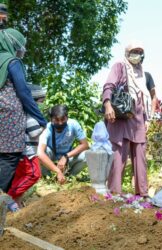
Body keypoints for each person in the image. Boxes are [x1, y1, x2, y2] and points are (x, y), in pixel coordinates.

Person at [102, 41, 157, 197]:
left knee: (140, 157)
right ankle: (114, 193)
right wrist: (107, 104)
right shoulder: (119, 66)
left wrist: (147, 119)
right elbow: (108, 85)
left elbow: (144, 98)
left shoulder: (143, 73)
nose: (136, 54)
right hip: (121, 118)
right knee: (118, 157)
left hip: (138, 118)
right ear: (126, 53)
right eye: (133, 51)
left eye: (139, 51)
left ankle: (142, 194)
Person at [0, 28, 47, 193]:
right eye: (21, 46)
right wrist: (40, 118)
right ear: (13, 43)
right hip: (8, 120)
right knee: (8, 159)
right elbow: (23, 92)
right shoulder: (12, 62)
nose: (22, 50)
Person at [7, 84, 47, 206]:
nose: (43, 104)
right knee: (34, 174)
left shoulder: (21, 112)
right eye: (41, 101)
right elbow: (33, 132)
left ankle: (15, 205)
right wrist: (44, 126)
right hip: (28, 153)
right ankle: (7, 197)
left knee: (19, 178)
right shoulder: (31, 115)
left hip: (20, 152)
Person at [38, 105, 89, 182]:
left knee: (88, 155)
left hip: (67, 158)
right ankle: (49, 176)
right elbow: (40, 153)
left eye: (63, 119)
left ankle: (69, 176)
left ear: (67, 117)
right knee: (40, 153)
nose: (60, 123)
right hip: (51, 159)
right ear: (51, 119)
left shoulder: (73, 124)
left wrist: (66, 156)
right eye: (56, 120)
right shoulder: (48, 128)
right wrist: (57, 171)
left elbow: (85, 145)